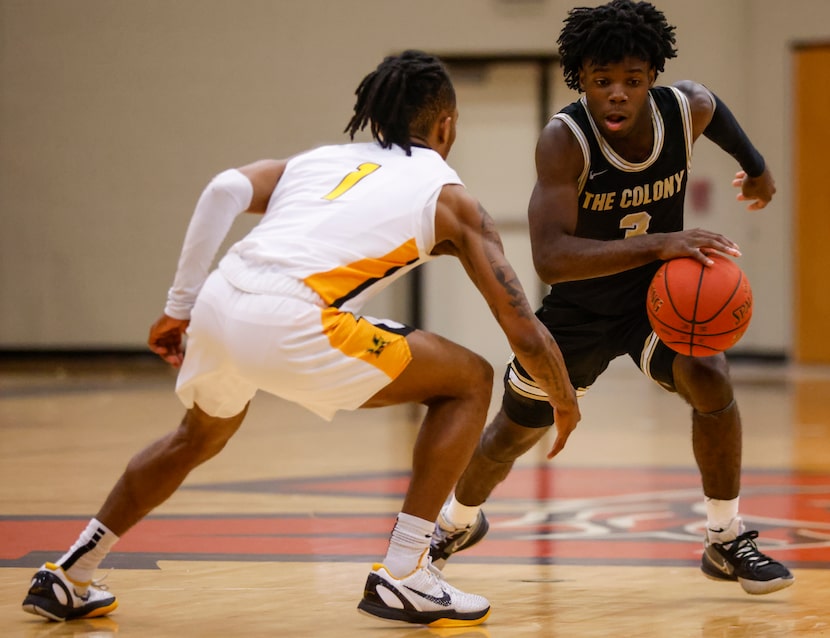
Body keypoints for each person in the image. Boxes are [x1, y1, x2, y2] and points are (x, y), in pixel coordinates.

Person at [20, 50, 580, 627]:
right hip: (296, 318)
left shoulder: (321, 160)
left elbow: (222, 191)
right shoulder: (451, 197)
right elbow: (524, 332)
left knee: (194, 438)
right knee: (470, 379)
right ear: (447, 126)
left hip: (221, 298)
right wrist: (563, 400)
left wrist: (178, 308)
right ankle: (406, 573)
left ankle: (70, 573)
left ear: (378, 121)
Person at [429, 0, 795, 596]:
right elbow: (550, 258)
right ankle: (457, 521)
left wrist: (755, 167)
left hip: (654, 303)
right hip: (580, 311)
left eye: (632, 80)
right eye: (602, 82)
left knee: (710, 374)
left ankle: (725, 537)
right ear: (582, 82)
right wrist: (662, 243)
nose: (618, 94)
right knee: (514, 431)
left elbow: (715, 109)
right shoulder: (564, 140)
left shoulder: (686, 108)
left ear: (653, 77)